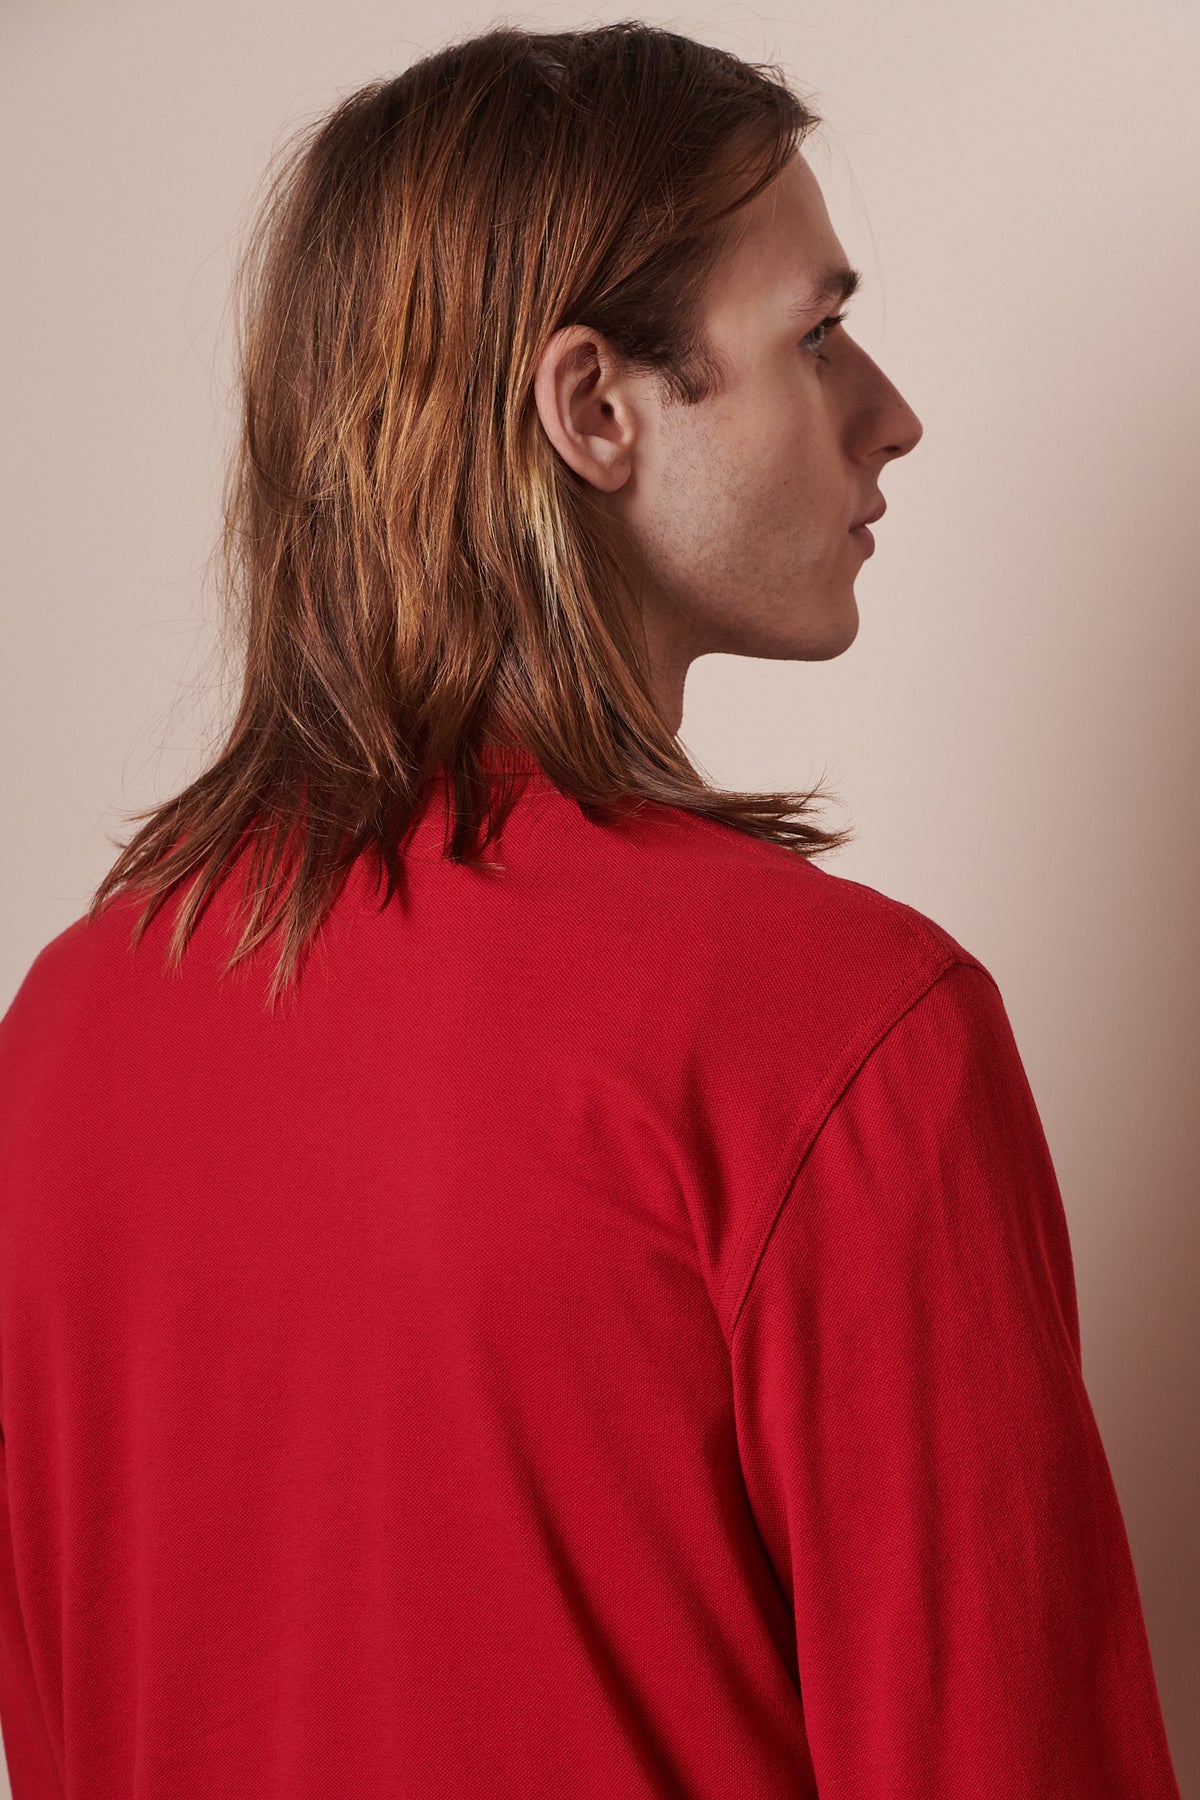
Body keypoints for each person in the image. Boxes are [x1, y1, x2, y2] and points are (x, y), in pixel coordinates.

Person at [0, 21, 1182, 1798]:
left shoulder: (67, 1033)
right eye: (819, 333)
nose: (892, 412)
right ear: (596, 410)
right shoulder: (844, 1035)